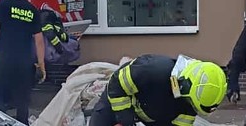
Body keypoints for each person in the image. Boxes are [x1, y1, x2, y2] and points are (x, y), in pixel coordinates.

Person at [90, 54, 227, 126]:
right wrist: (125, 118)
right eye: (190, 102)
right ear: (185, 85)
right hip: (117, 104)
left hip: (154, 116)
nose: (190, 108)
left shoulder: (191, 102)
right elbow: (117, 83)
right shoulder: (152, 70)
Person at [0, 0, 47, 124]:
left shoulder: (3, 4)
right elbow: (39, 40)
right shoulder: (33, 11)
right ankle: (22, 123)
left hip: (3, 60)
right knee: (22, 99)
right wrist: (41, 64)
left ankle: (1, 121)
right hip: (25, 63)